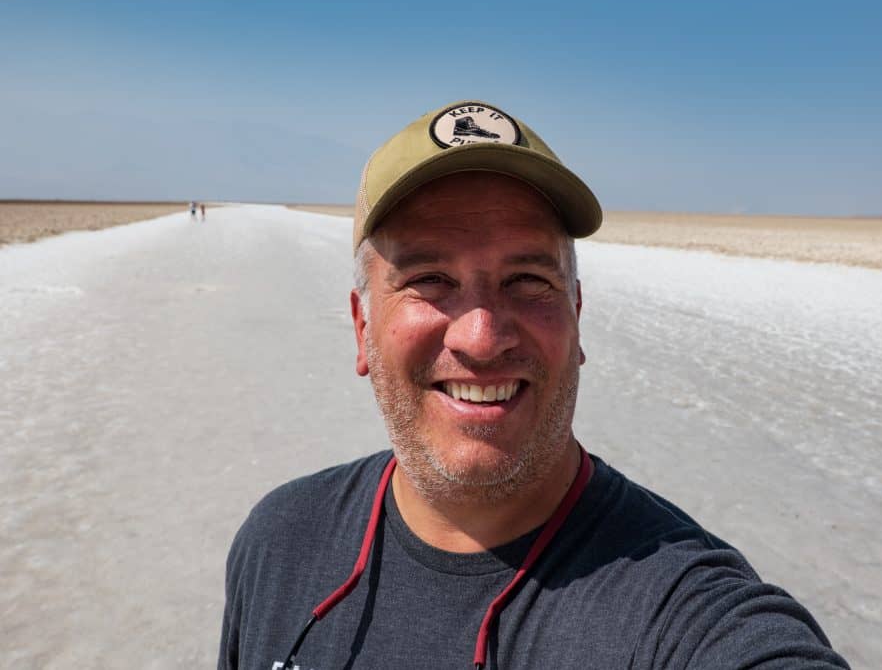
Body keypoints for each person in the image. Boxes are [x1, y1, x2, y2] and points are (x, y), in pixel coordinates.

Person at [218, 100, 850, 669]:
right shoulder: (279, 544)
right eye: (430, 278)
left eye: (528, 280)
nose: (482, 337)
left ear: (575, 320)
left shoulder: (677, 609)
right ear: (362, 328)